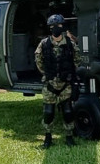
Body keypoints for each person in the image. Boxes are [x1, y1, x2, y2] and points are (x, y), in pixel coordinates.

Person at [34, 14, 83, 148]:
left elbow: (77, 61)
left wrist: (69, 74)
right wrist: (47, 74)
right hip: (50, 84)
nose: (56, 28)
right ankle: (48, 137)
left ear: (63, 27)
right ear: (50, 28)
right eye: (53, 26)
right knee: (48, 112)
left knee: (68, 112)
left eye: (59, 25)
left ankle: (69, 137)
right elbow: (39, 61)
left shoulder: (70, 44)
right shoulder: (44, 44)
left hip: (65, 84)